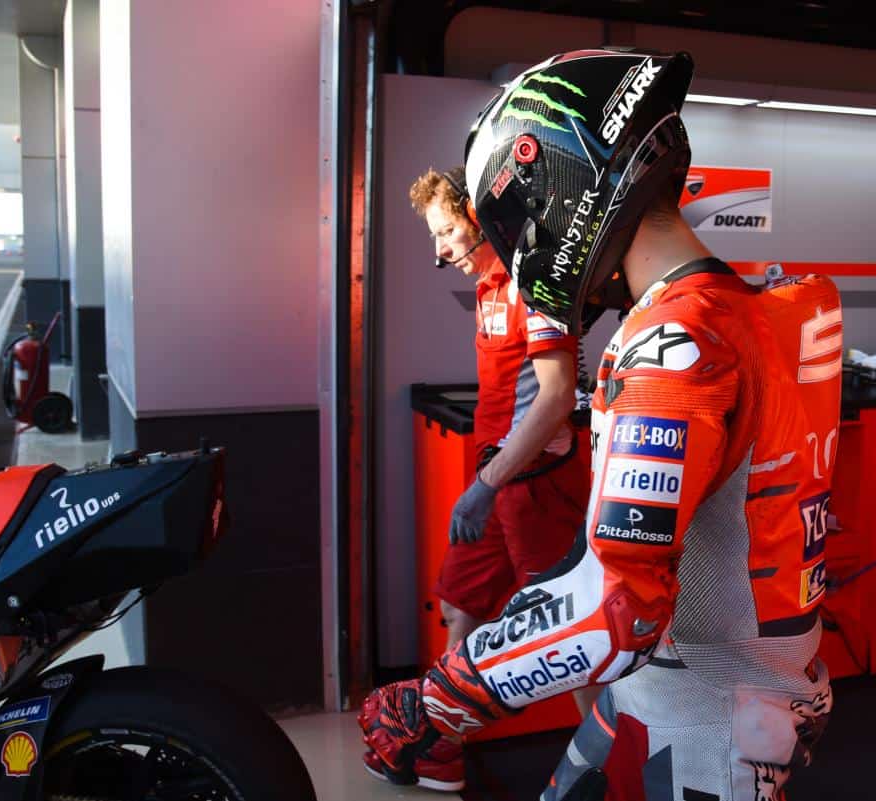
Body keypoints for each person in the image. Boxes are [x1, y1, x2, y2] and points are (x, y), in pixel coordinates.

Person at [360, 49, 843, 801]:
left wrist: (440, 700)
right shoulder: (769, 312)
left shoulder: (674, 343)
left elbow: (618, 609)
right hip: (711, 683)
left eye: (517, 221)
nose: (521, 249)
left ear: (560, 187)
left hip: (701, 715)